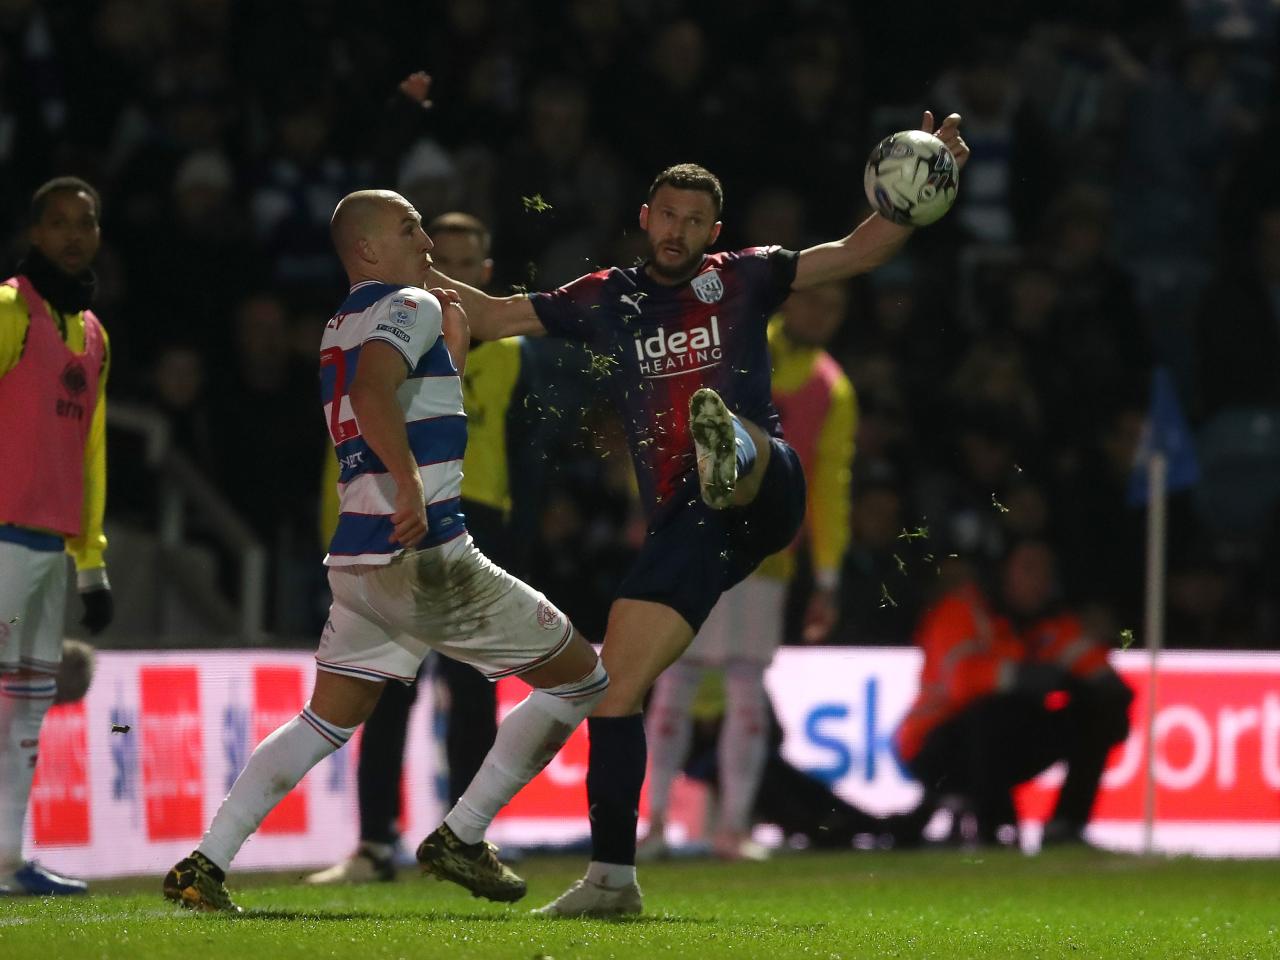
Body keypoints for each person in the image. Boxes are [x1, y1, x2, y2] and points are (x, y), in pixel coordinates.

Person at [431, 112, 969, 916]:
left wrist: (920, 192)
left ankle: (731, 448)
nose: (678, 231)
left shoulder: (747, 275)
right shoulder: (605, 298)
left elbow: (858, 252)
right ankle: (612, 878)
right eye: (666, 216)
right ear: (644, 220)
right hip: (689, 524)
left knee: (739, 439)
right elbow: (495, 316)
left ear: (713, 231)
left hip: (766, 492)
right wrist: (412, 282)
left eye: (694, 221)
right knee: (614, 689)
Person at [162, 190, 608, 912]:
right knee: (583, 679)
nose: (425, 239)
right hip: (425, 553)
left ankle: (204, 864)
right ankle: (462, 833)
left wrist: (451, 358)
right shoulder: (413, 303)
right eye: (409, 228)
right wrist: (409, 489)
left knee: (325, 721)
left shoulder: (343, 320)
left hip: (356, 563)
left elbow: (396, 395)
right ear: (368, 248)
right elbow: (375, 395)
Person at [307, 211, 531, 884]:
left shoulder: (509, 355)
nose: (450, 271)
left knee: (472, 691)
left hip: (474, 513)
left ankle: (464, 838)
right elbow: (358, 434)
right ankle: (376, 843)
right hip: (389, 515)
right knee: (384, 686)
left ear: (485, 275)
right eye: (442, 259)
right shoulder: (388, 326)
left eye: (467, 262)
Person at [642, 280, 857, 861]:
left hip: (766, 557)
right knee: (675, 682)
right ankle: (656, 825)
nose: (824, 312)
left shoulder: (831, 388)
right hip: (697, 540)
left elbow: (829, 490)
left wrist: (828, 578)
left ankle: (732, 829)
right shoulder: (734, 349)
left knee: (742, 689)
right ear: (789, 300)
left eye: (835, 305)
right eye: (816, 299)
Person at [0, 177, 114, 897]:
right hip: (3, 535)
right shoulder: (11, 309)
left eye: (87, 223)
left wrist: (91, 561)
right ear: (35, 233)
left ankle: (10, 861)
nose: (74, 235)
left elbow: (91, 450)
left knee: (29, 708)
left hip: (49, 544)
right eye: (60, 223)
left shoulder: (94, 332)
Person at [893, 539, 1133, 848]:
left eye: (1047, 570)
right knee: (990, 713)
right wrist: (1028, 677)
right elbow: (963, 683)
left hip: (1001, 747)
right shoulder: (961, 610)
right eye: (1029, 568)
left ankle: (1065, 827)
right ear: (1003, 572)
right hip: (936, 746)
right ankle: (994, 829)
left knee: (1101, 711)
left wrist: (1110, 696)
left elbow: (1094, 668)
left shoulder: (1052, 623)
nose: (1041, 580)